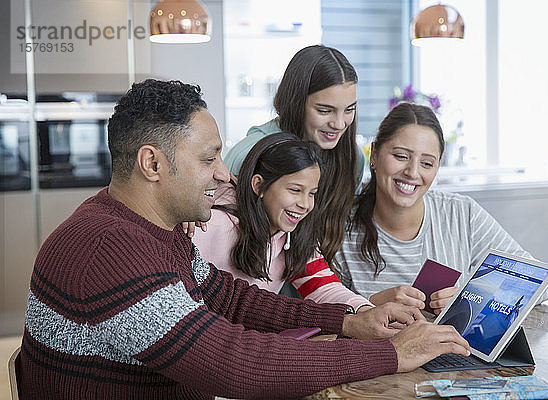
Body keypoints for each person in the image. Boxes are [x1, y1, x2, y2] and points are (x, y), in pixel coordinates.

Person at [17, 80, 470, 400]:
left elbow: (230, 297)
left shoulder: (151, 230)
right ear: (151, 164)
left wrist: (348, 322)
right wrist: (391, 355)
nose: (222, 172)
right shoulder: (111, 249)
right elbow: (233, 364)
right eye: (208, 158)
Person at [336, 102, 548, 315]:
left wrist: (470, 298)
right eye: (401, 156)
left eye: (427, 163)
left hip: (450, 348)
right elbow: (319, 315)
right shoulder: (340, 227)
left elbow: (539, 284)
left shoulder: (461, 214)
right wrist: (366, 308)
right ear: (374, 155)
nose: (412, 172)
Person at [194, 133, 371, 312]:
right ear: (258, 185)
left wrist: (364, 310)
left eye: (312, 193)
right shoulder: (210, 224)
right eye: (295, 190)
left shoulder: (294, 234)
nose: (305, 204)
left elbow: (323, 287)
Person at [224, 44, 364, 270]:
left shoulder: (352, 157)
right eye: (325, 110)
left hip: (316, 287)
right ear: (296, 102)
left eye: (349, 109)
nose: (339, 124)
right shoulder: (249, 153)